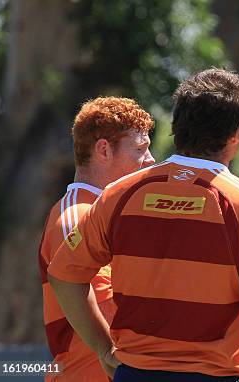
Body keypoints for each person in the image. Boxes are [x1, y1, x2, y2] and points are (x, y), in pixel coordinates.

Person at [48, 68, 239, 382]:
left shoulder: (118, 195)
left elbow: (63, 275)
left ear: (176, 126)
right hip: (216, 375)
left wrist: (103, 348)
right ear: (236, 136)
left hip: (135, 374)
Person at [38, 96, 155, 381]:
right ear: (104, 149)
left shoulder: (109, 211)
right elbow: (111, 312)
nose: (151, 159)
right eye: (140, 149)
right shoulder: (77, 215)